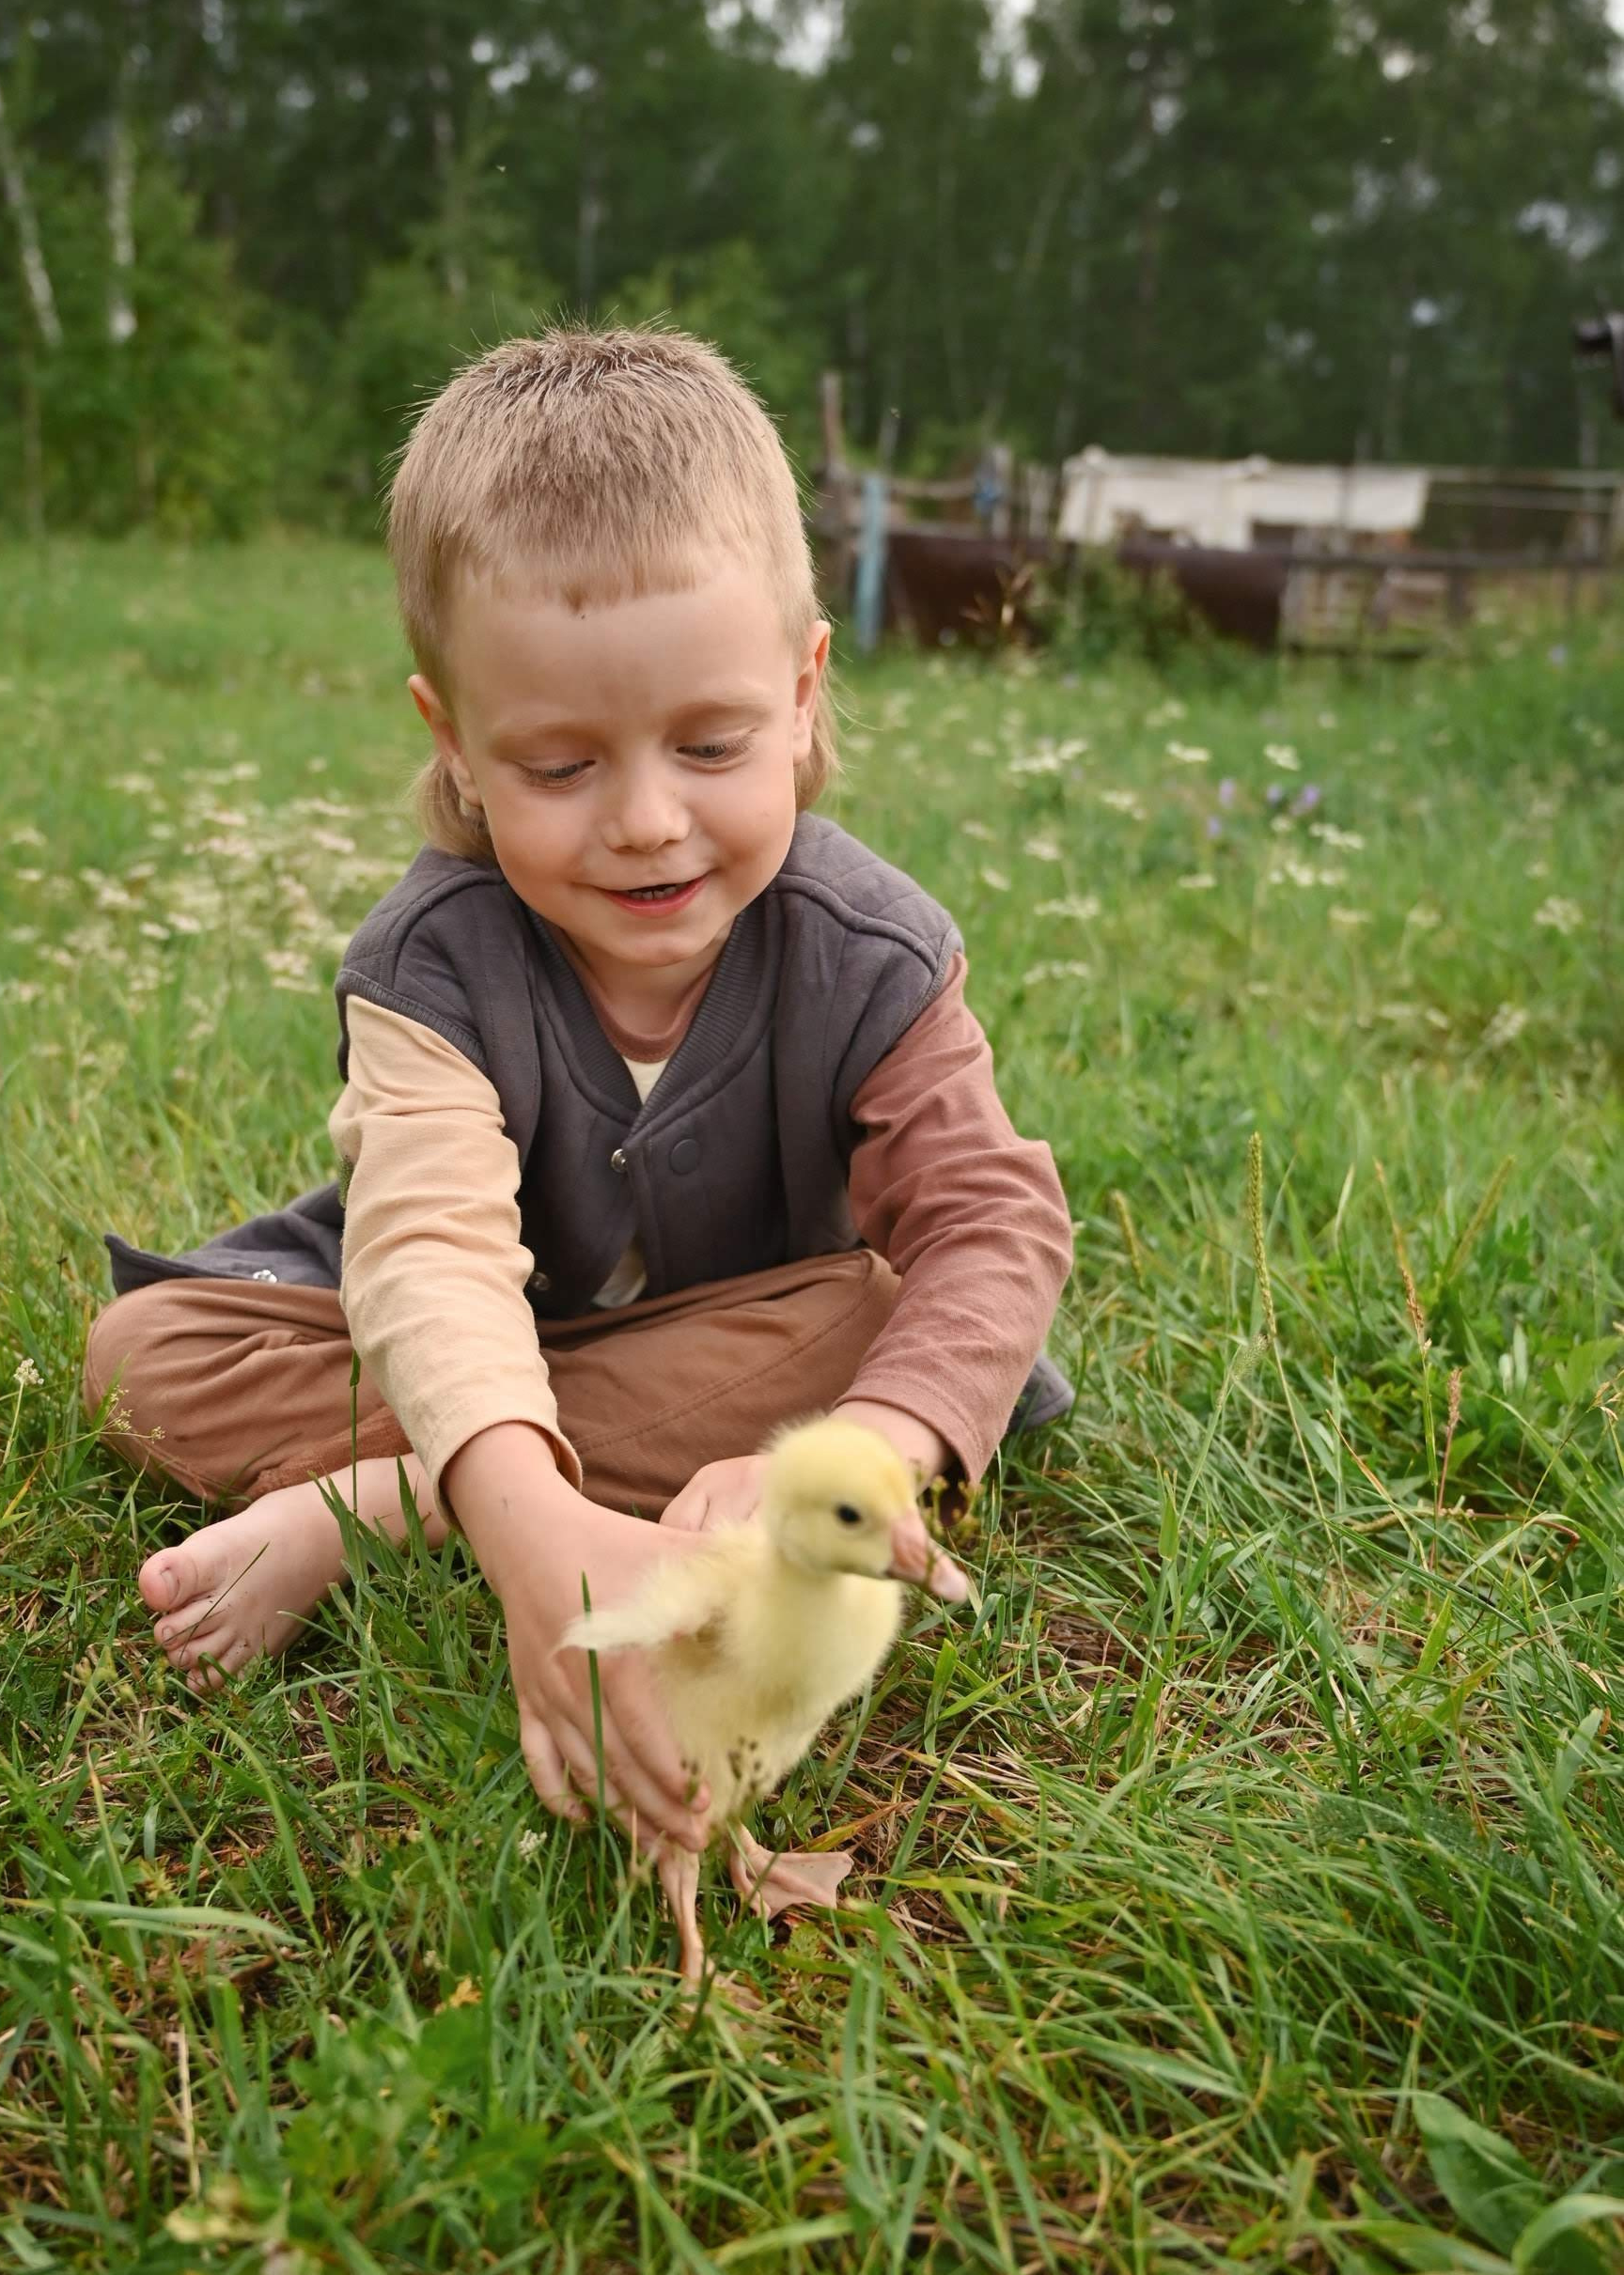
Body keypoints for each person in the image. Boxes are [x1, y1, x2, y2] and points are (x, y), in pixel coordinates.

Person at [83, 324, 1073, 1860]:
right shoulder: (430, 965)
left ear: (804, 692)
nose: (649, 822)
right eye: (558, 766)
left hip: (758, 1337)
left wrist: (869, 1456)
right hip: (475, 1338)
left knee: (899, 1324)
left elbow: (991, 1226)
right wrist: (543, 1548)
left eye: (712, 741)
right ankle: (485, 1483)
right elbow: (426, 1259)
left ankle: (397, 1503)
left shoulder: (872, 951)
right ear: (457, 745)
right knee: (143, 1355)